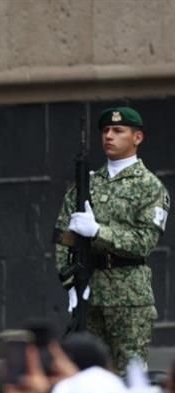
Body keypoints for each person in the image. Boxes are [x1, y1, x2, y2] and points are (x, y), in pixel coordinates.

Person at [55, 106, 170, 371]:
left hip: (129, 296)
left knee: (129, 373)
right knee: (89, 373)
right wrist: (70, 281)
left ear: (137, 138)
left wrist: (98, 231)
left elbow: (144, 241)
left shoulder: (149, 186)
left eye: (118, 131)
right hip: (90, 290)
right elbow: (63, 236)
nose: (109, 136)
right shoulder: (87, 183)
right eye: (106, 130)